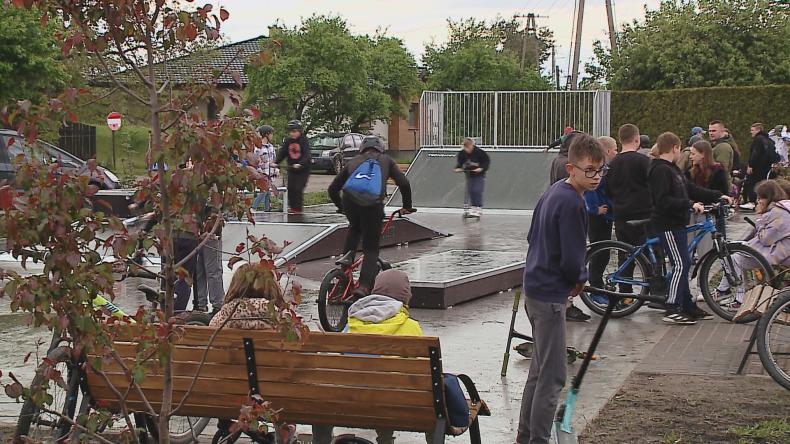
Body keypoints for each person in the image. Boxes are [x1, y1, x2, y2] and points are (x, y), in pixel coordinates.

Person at [517, 133, 604, 444]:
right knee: (553, 377)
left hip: (534, 288)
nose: (595, 177)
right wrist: (579, 279)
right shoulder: (571, 202)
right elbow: (572, 256)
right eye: (589, 170)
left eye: (600, 170)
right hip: (551, 296)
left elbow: (531, 237)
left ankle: (525, 435)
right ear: (571, 168)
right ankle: (537, 439)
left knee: (539, 370)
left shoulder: (553, 191)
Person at [312, 269, 431, 444]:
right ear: (405, 297)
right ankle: (385, 439)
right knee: (403, 392)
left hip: (350, 403)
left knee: (322, 398)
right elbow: (424, 376)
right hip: (397, 405)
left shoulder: (352, 323)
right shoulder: (411, 328)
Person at [209, 262, 299, 443]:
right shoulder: (281, 317)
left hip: (228, 396)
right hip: (277, 398)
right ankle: (287, 432)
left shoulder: (222, 316)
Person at [649, 132, 730, 325]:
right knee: (680, 264)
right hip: (667, 223)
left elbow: (691, 189)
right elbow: (662, 200)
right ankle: (671, 307)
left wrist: (718, 195)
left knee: (684, 263)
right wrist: (689, 204)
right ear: (675, 148)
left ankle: (687, 305)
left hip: (677, 223)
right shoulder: (660, 170)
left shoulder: (673, 169)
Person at [328, 136, 413, 298]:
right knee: (371, 248)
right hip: (373, 205)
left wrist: (341, 207)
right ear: (381, 148)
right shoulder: (386, 160)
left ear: (362, 149)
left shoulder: (353, 161)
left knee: (354, 228)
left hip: (350, 201)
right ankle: (365, 286)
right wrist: (407, 206)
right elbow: (404, 183)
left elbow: (332, 189)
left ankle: (344, 269)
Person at [716, 181, 790, 307]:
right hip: (779, 250)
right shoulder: (780, 209)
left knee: (735, 259)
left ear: (768, 197)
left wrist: (760, 219)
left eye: (760, 197)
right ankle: (723, 291)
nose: (758, 201)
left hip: (779, 253)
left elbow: (766, 239)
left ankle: (738, 298)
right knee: (736, 254)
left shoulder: (779, 214)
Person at [606, 124, 652, 294]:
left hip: (621, 215)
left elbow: (608, 190)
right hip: (643, 215)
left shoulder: (613, 163)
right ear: (637, 139)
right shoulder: (643, 161)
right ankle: (653, 290)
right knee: (649, 253)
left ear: (620, 140)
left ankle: (625, 291)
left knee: (625, 254)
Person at [586, 136, 616, 305]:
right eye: (614, 150)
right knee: (599, 251)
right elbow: (591, 189)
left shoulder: (606, 168)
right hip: (597, 217)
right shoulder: (598, 169)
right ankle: (595, 288)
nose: (616, 153)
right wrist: (594, 209)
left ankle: (598, 286)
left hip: (605, 215)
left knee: (603, 252)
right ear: (607, 151)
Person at [276, 120, 311, 214]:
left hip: (303, 170)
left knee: (298, 189)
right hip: (292, 169)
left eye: (295, 131)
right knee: (290, 188)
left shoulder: (304, 140)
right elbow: (283, 152)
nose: (293, 134)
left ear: (300, 131)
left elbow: (307, 155)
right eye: (291, 131)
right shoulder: (288, 141)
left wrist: (301, 163)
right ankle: (292, 208)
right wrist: (276, 162)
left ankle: (298, 209)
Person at [741, 123, 776, 210]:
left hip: (757, 166)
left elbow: (755, 153)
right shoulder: (768, 140)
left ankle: (752, 201)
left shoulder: (758, 140)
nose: (751, 132)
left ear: (758, 130)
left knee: (751, 183)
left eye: (752, 130)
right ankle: (761, 201)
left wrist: (751, 165)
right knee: (762, 183)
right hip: (766, 166)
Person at [454, 137, 490, 217]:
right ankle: (473, 208)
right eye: (466, 148)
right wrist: (458, 168)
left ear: (471, 145)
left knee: (477, 190)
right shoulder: (462, 153)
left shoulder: (479, 152)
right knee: (471, 191)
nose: (467, 150)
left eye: (468, 147)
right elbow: (460, 163)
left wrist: (481, 168)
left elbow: (486, 161)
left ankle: (479, 209)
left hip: (479, 175)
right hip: (469, 174)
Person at [252, 125, 280, 211]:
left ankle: (267, 210)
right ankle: (253, 208)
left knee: (267, 193)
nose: (272, 136)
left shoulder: (271, 147)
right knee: (264, 191)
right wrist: (261, 172)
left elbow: (274, 160)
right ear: (266, 134)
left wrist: (276, 169)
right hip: (262, 174)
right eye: (271, 134)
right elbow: (256, 162)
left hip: (270, 174)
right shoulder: (258, 148)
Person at [708, 120, 736, 190]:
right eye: (710, 131)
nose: (711, 133)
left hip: (720, 187)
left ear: (722, 131)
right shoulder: (714, 145)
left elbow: (721, 169)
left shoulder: (723, 147)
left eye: (714, 131)